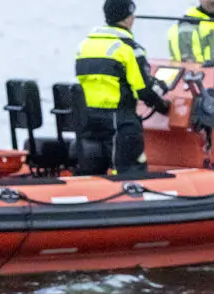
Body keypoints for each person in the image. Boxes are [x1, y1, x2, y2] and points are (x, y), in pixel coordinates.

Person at [75, 0, 171, 176]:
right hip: (119, 123)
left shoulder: (85, 46)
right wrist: (163, 103)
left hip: (89, 121)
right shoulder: (129, 49)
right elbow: (145, 90)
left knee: (94, 170)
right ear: (128, 18)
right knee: (133, 168)